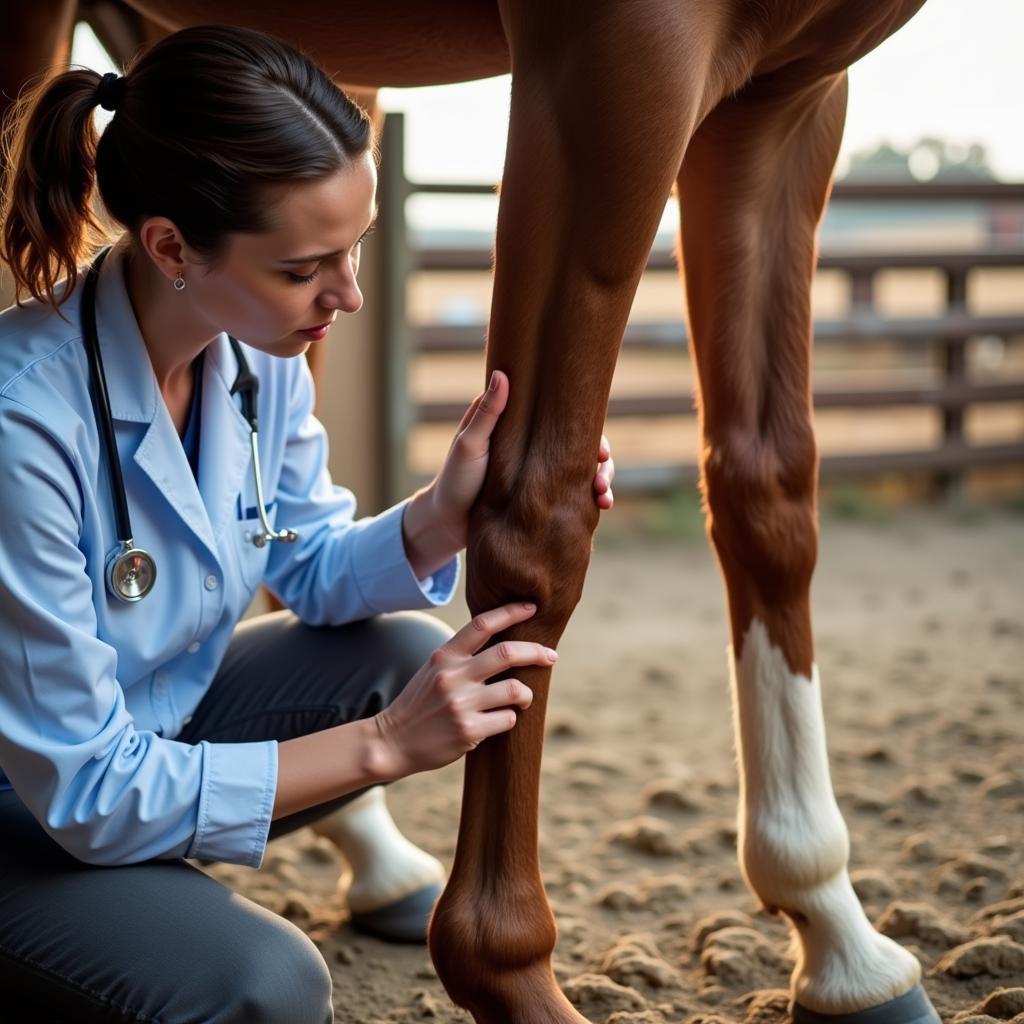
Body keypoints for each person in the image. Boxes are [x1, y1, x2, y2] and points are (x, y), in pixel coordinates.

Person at [0, 25, 615, 1024]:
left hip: (143, 739)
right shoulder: (19, 421)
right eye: (305, 268)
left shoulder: (255, 355)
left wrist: (439, 516)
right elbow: (86, 792)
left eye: (356, 249)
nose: (350, 294)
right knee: (269, 987)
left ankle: (142, 908)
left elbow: (313, 562)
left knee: (401, 653)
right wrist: (382, 744)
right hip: (36, 805)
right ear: (169, 246)